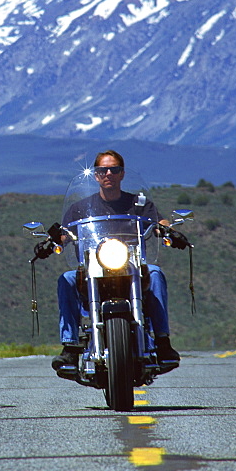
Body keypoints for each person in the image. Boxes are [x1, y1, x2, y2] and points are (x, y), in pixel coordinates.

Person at [51, 149, 182, 374]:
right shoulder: (79, 208)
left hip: (131, 264)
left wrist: (168, 229)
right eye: (103, 170)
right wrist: (54, 239)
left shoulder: (139, 204)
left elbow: (158, 220)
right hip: (92, 266)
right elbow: (65, 233)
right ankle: (70, 346)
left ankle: (162, 342)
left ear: (122, 174)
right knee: (67, 279)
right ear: (95, 175)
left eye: (114, 169)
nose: (108, 173)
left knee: (156, 273)